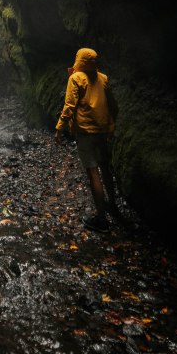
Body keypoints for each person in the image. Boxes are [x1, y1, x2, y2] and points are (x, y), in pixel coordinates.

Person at [55, 46, 119, 232]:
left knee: (93, 172)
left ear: (79, 60)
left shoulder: (75, 78)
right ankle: (112, 205)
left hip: (86, 132)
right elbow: (113, 105)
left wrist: (60, 127)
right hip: (102, 131)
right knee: (105, 167)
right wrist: (111, 126)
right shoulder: (103, 78)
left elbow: (70, 105)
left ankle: (101, 218)